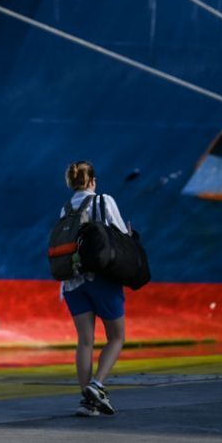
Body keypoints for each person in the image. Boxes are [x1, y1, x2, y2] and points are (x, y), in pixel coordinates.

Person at [60, 160, 127, 417]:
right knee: (117, 337)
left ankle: (86, 402)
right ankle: (97, 385)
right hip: (102, 278)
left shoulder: (65, 208)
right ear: (92, 181)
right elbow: (120, 233)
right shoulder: (103, 201)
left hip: (72, 282)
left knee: (85, 341)